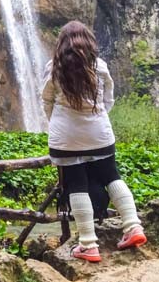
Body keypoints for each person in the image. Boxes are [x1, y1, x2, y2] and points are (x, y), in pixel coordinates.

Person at [41, 20, 147, 262]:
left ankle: (88, 244)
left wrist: (59, 121)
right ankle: (133, 226)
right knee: (112, 176)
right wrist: (94, 118)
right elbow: (108, 100)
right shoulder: (100, 67)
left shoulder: (53, 68)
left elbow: (46, 101)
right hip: (99, 133)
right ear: (89, 42)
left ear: (62, 45)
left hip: (65, 138)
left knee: (76, 184)